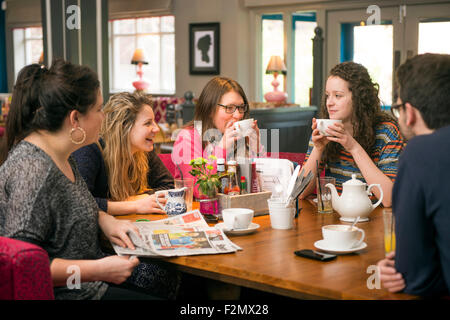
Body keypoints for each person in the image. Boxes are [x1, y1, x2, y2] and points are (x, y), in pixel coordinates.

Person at [0, 60, 157, 300]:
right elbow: (22, 267)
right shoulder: (32, 171)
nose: (105, 118)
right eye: (99, 109)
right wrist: (99, 270)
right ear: (75, 119)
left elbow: (78, 203)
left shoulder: (62, 153)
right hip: (71, 292)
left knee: (169, 280)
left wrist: (105, 220)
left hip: (89, 280)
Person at [377, 53, 450, 297]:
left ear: (409, 112)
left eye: (397, 108)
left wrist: (403, 267)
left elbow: (416, 278)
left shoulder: (420, 153)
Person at [299, 62, 404, 207]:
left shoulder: (387, 131)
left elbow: (389, 199)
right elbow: (299, 192)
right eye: (328, 96)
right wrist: (318, 149)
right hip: (334, 219)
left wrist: (353, 147)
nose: (329, 102)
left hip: (373, 221)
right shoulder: (325, 129)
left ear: (359, 99)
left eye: (338, 96)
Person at [72, 91, 174, 215]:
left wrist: (134, 200)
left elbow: (169, 186)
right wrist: (134, 205)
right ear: (124, 127)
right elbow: (79, 203)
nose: (157, 128)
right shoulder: (90, 150)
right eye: (148, 123)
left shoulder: (143, 148)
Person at [171, 76, 262, 198]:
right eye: (229, 108)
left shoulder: (239, 137)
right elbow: (200, 191)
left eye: (241, 107)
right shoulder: (188, 137)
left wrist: (254, 147)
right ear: (209, 110)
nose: (238, 115)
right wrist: (222, 148)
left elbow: (256, 185)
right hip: (201, 212)